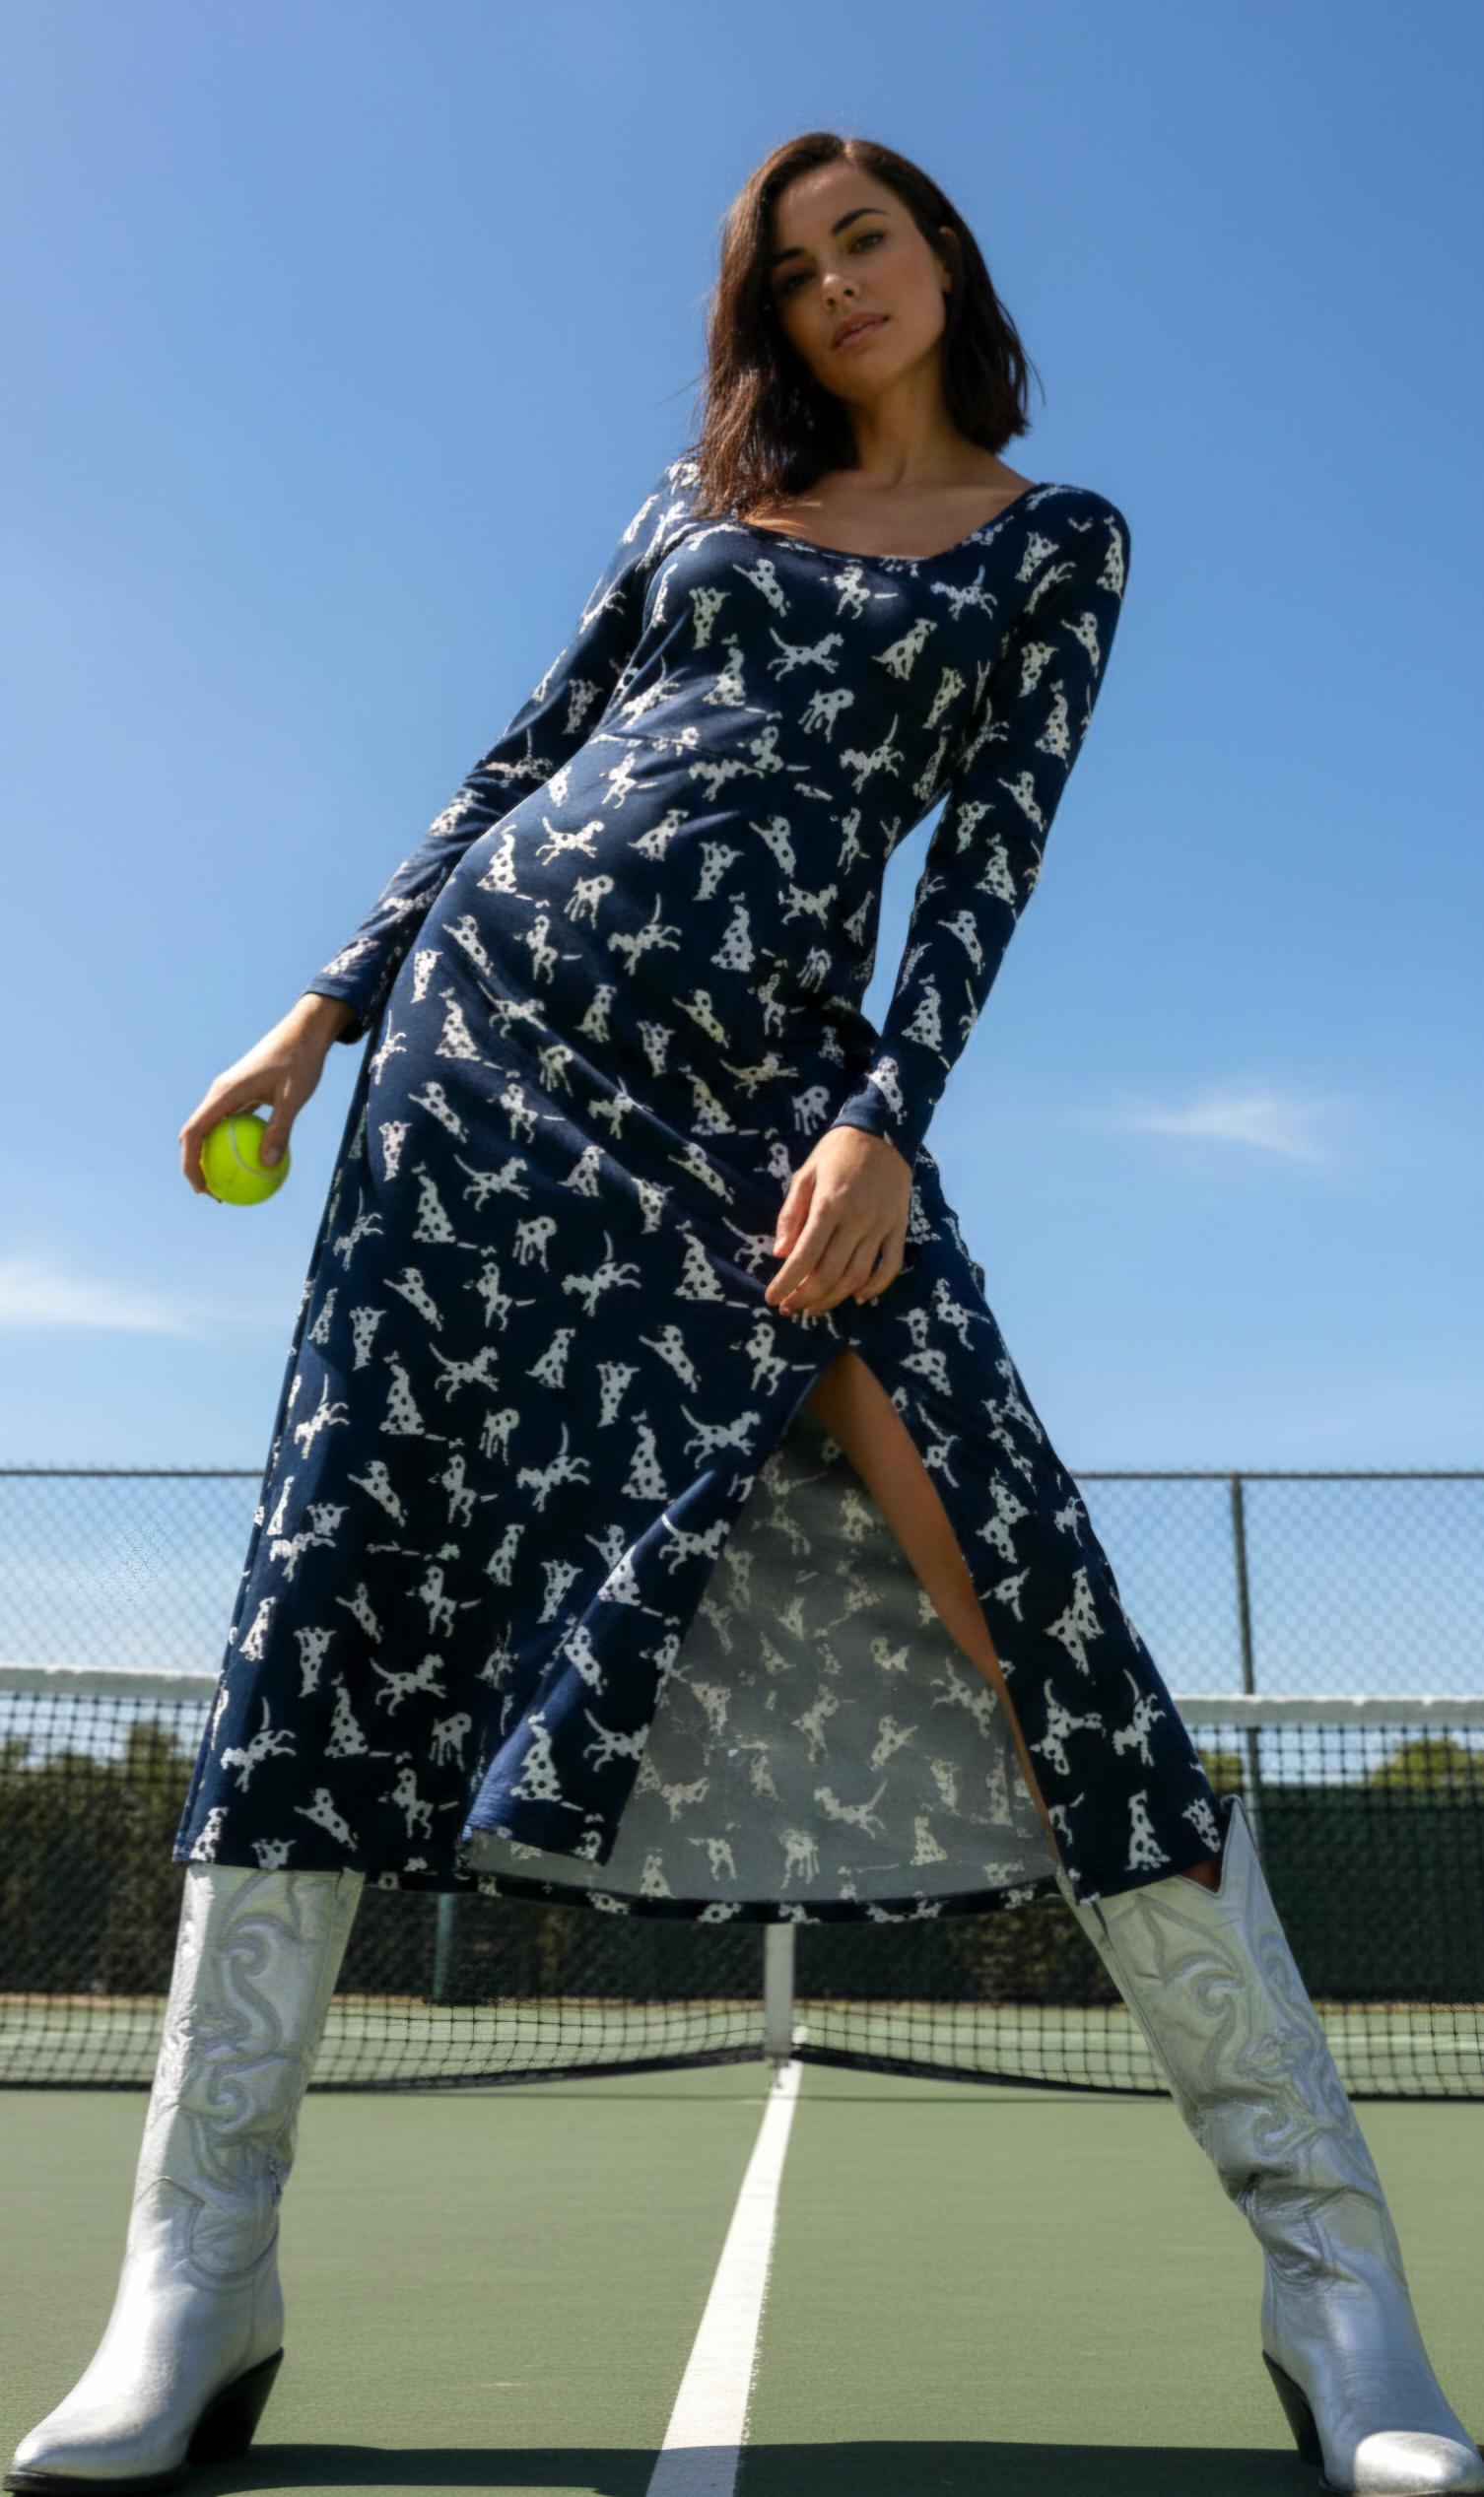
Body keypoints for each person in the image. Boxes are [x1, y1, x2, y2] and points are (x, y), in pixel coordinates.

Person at [9, 129, 1480, 2497]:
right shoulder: (691, 508)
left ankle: (1336, 2282)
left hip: (780, 1092)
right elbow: (523, 753)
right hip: (484, 1062)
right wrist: (317, 1013)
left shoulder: (1053, 544)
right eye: (793, 271)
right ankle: (199, 2274)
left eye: (864, 238)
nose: (836, 288)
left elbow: (987, 856)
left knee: (1032, 1598)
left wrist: (884, 1118)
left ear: (942, 252)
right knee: (332, 1600)